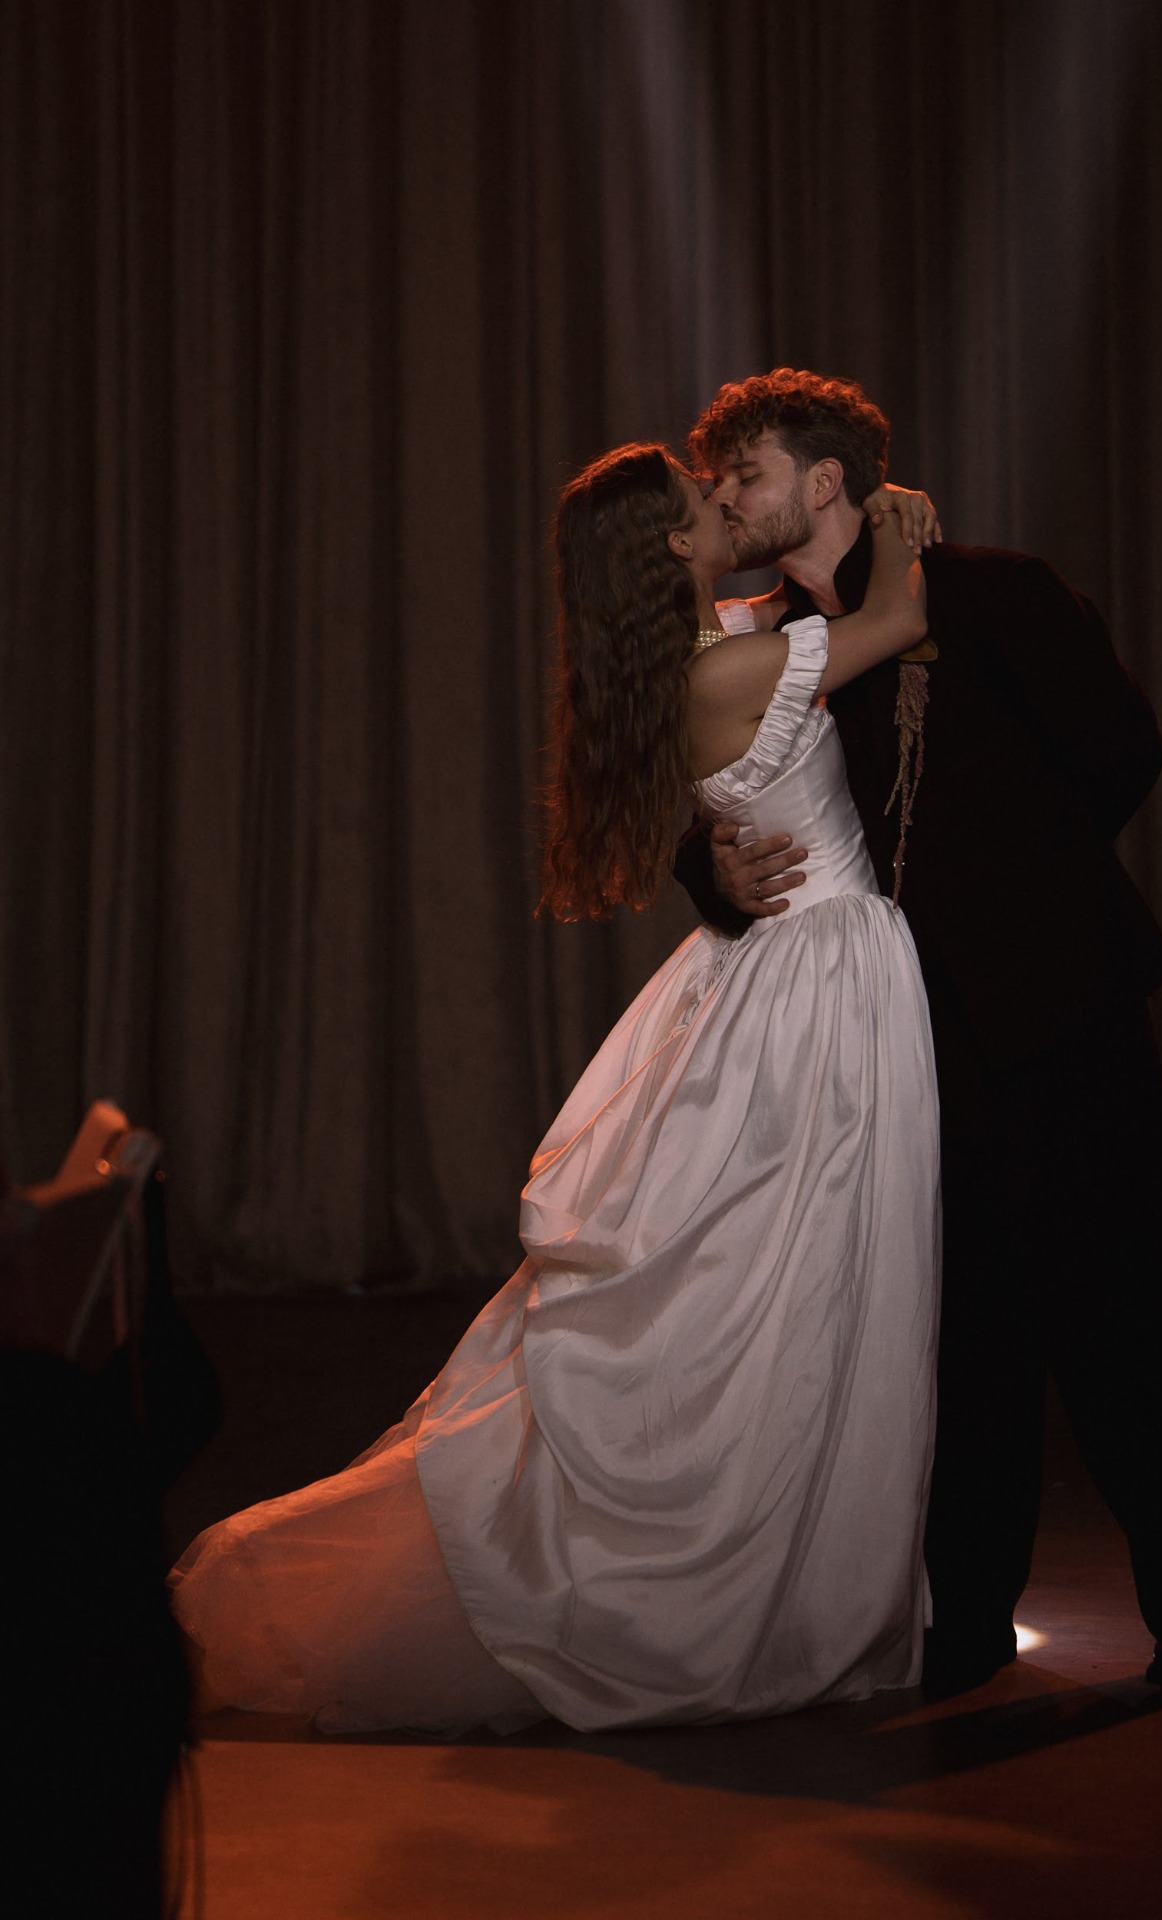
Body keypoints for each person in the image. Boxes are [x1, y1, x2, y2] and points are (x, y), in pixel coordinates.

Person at [169, 442, 947, 1734]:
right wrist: (899, 517)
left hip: (782, 976)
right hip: (816, 986)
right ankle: (737, 1592)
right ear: (674, 547)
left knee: (790, 1281)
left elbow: (792, 638)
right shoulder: (736, 666)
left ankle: (795, 1571)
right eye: (704, 501)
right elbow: (898, 620)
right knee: (795, 1277)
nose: (724, 503)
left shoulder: (717, 649)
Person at [679, 368, 1162, 1694]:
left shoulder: (994, 591)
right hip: (888, 1046)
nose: (728, 499)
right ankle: (960, 1619)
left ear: (825, 480)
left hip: (1054, 1012)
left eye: (749, 475)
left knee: (1128, 1313)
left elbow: (1120, 748)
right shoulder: (767, 638)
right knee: (946, 1334)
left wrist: (1016, 896)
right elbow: (719, 815)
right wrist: (715, 873)